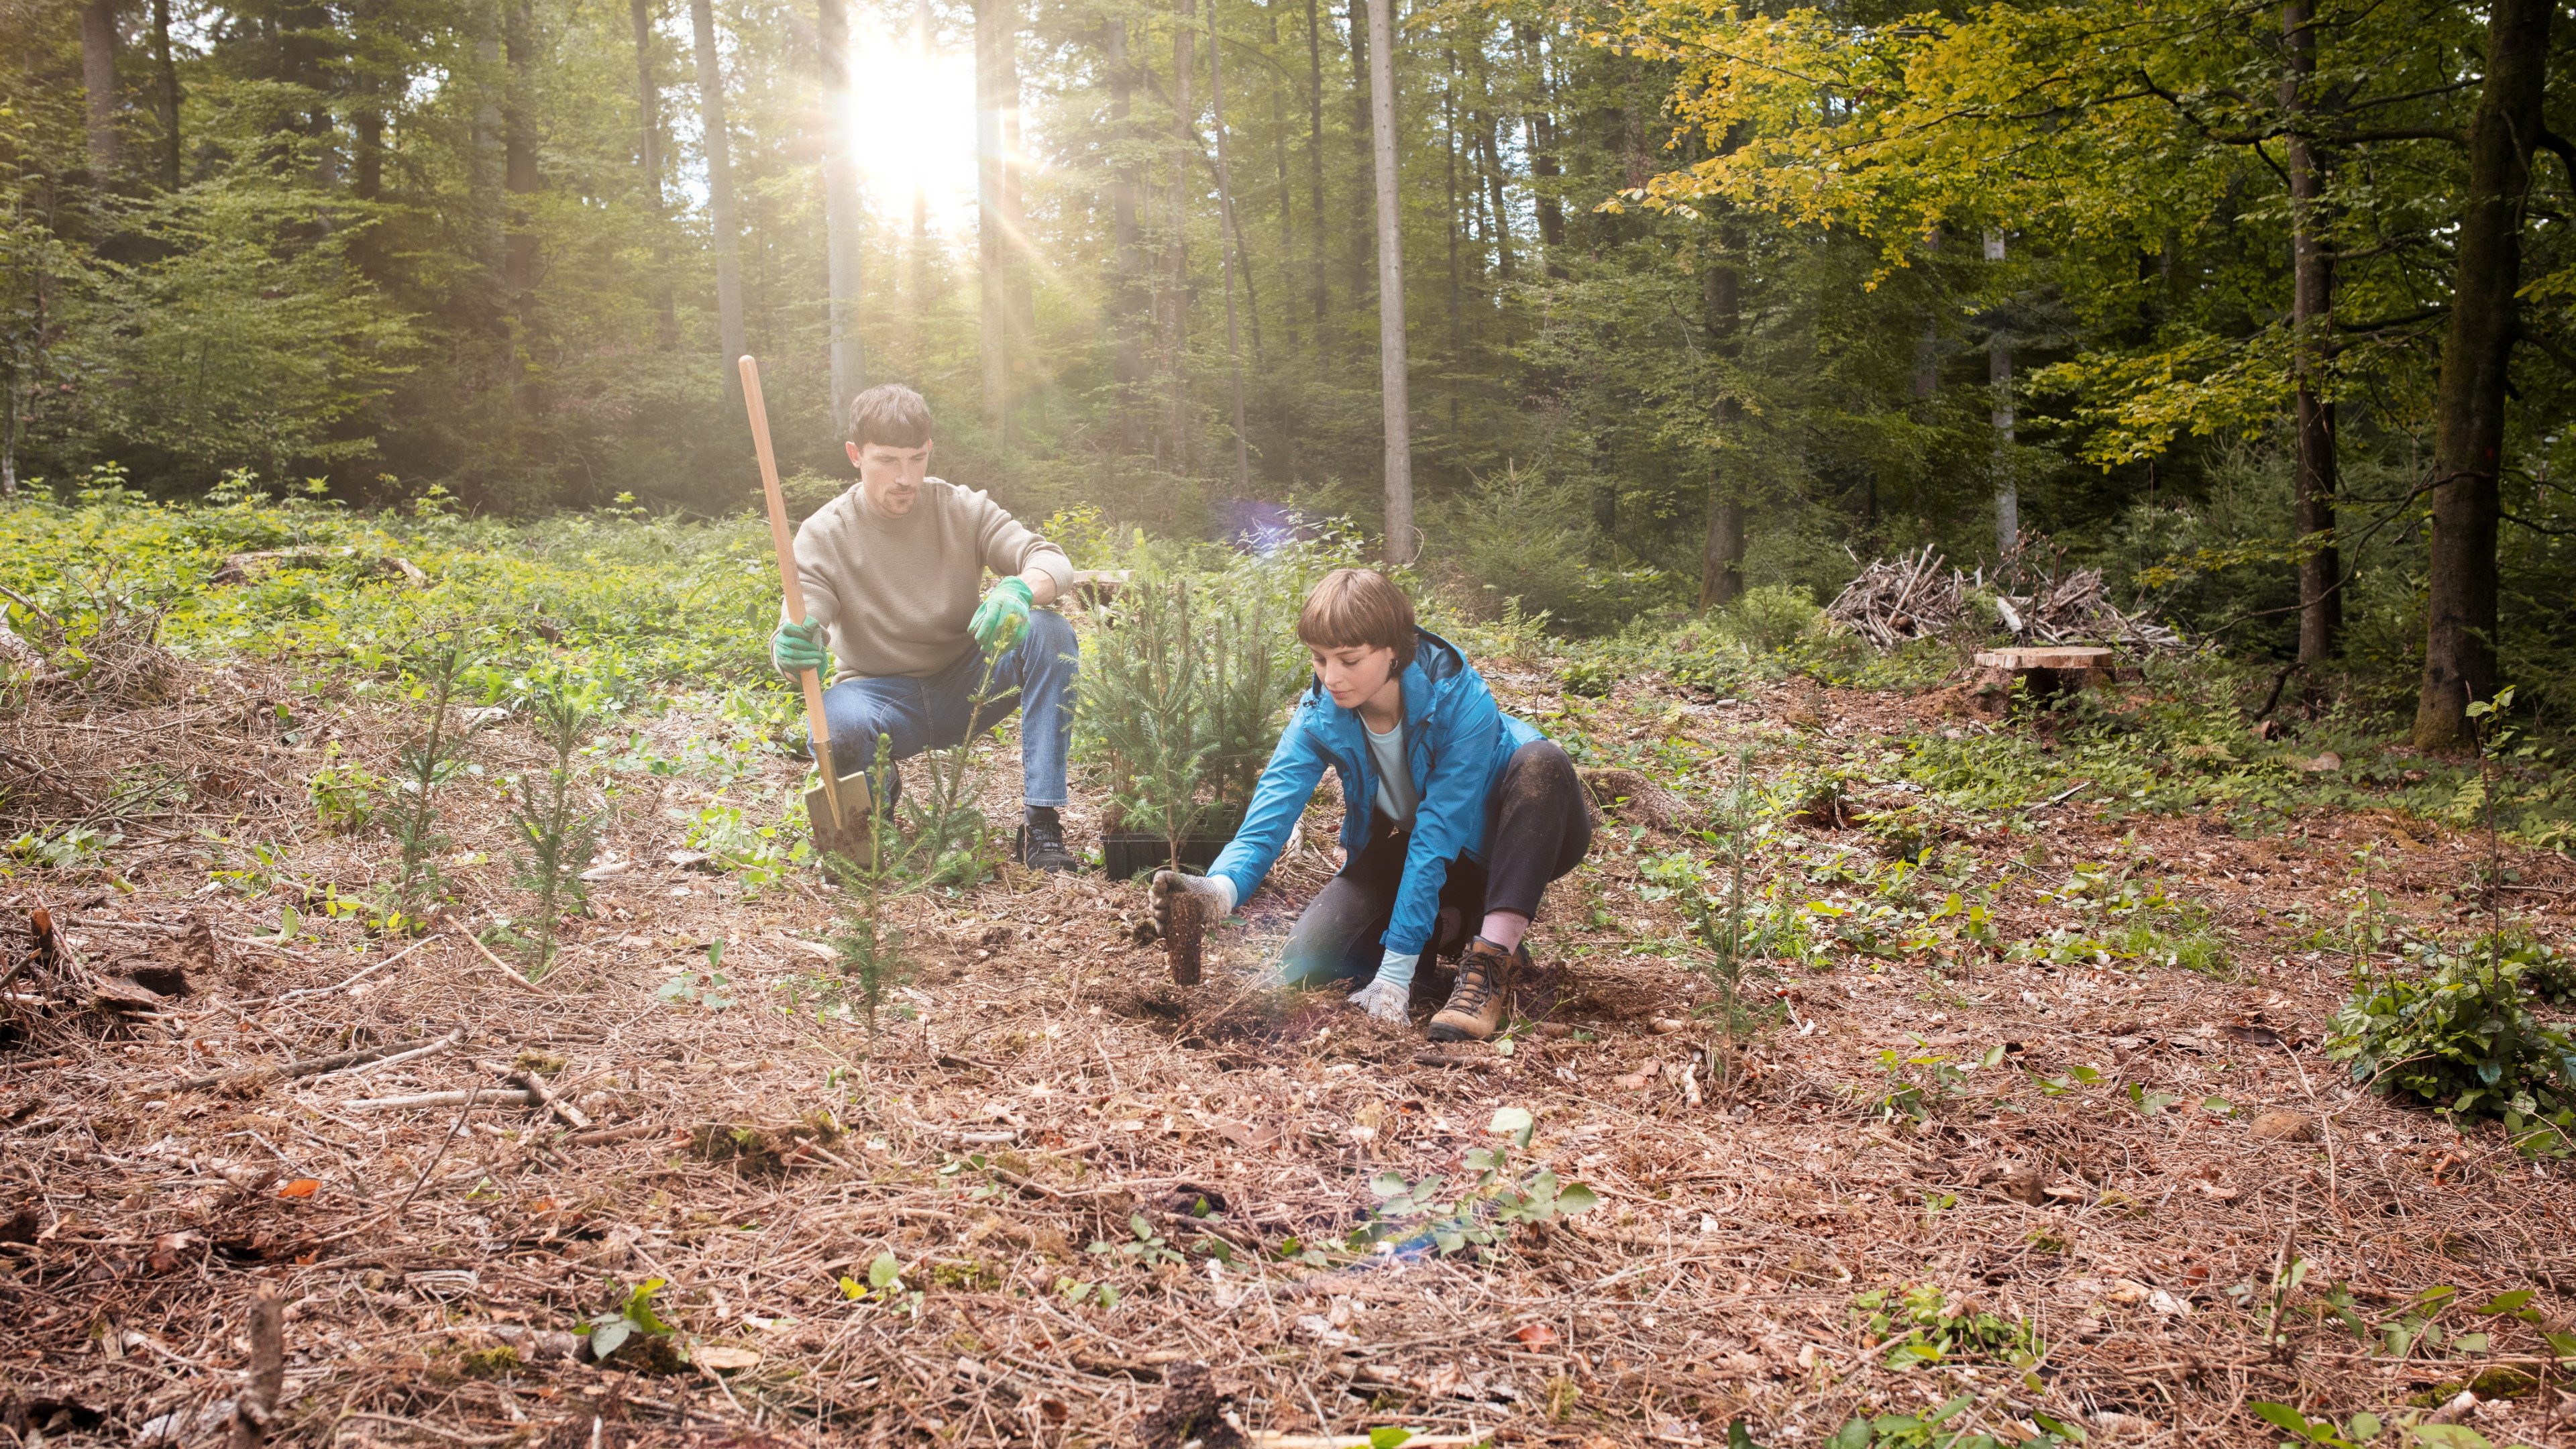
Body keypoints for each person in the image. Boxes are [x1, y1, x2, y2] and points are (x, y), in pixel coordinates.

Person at [1152, 569, 1593, 1040]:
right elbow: (1270, 813)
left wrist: (1395, 976)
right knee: (1312, 956)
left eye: (1349, 659)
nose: (1332, 678)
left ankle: (1490, 962)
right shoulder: (1320, 713)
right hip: (1429, 850)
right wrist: (1218, 891)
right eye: (1320, 659)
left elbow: (1437, 834)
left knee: (1541, 763)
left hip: (1519, 836)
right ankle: (1455, 923)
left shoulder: (1462, 700)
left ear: (1394, 652)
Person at [768, 383, 1082, 872]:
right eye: (887, 460)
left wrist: (1018, 589)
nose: (905, 477)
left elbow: (1050, 560)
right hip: (879, 698)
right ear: (855, 455)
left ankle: (1040, 822)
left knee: (1050, 632)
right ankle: (877, 796)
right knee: (835, 722)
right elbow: (804, 614)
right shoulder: (826, 532)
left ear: (930, 450)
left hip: (968, 684)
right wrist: (792, 641)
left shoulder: (963, 508)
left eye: (916, 458)